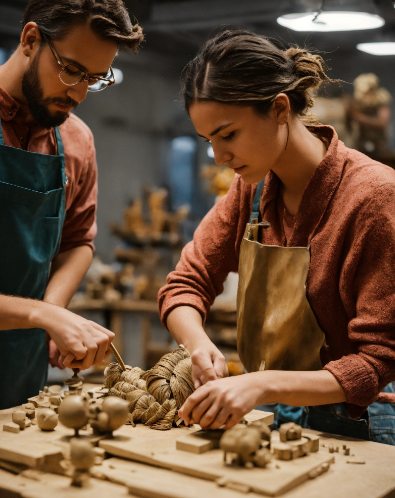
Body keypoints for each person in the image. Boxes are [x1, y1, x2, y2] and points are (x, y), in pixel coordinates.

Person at [158, 30, 395, 445]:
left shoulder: (373, 198)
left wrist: (261, 384)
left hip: (360, 423)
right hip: (267, 411)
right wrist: (198, 346)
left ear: (280, 109)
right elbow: (185, 284)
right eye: (208, 140)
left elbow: (375, 363)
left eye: (228, 134)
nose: (218, 156)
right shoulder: (249, 190)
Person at [0, 0, 143, 409]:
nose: (79, 93)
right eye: (72, 70)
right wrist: (42, 316)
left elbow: (78, 241)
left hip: (19, 370)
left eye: (96, 79)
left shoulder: (77, 141)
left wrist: (52, 311)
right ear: (30, 40)